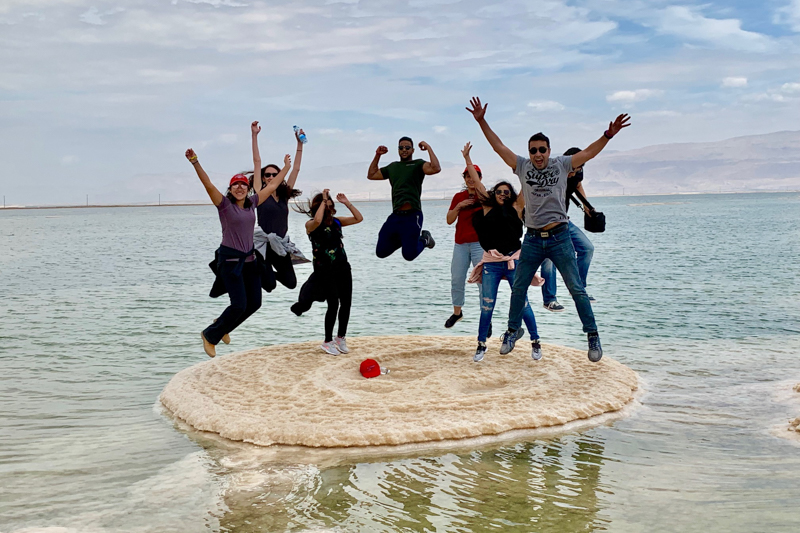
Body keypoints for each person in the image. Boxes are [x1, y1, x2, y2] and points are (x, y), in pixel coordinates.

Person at [467, 96, 630, 362]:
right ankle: (511, 332)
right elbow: (498, 146)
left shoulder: (562, 164)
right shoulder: (522, 166)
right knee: (518, 288)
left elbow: (588, 152)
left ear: (549, 150)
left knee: (576, 288)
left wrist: (608, 135)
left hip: (559, 237)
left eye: (542, 149)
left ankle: (592, 335)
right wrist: (482, 120)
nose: (538, 154)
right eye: (533, 150)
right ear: (529, 152)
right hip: (531, 239)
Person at [185, 141, 290, 358]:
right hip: (231, 262)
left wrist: (286, 168)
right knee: (239, 304)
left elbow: (271, 187)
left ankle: (222, 326)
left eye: (243, 184)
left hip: (250, 261)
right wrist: (195, 162)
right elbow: (208, 185)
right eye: (236, 185)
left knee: (254, 303)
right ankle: (209, 334)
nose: (240, 187)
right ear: (231, 189)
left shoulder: (252, 203)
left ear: (248, 188)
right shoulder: (224, 205)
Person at [463, 143, 542, 363]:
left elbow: (528, 184)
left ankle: (535, 342)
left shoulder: (517, 208)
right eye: (499, 191)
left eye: (507, 192)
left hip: (514, 261)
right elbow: (477, 184)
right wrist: (468, 160)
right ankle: (481, 345)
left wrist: (534, 164)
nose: (503, 195)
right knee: (487, 305)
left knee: (523, 304)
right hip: (492, 262)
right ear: (494, 193)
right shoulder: (487, 207)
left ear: (512, 195)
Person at [291, 189, 364, 355]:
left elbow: (359, 218)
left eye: (330, 205)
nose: (328, 208)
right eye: (324, 205)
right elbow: (317, 219)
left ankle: (341, 337)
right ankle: (327, 341)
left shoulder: (337, 222)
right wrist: (323, 201)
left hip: (343, 267)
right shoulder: (311, 224)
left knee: (346, 303)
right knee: (333, 304)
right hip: (325, 270)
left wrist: (347, 203)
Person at [250, 121, 306, 291]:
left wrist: (299, 144)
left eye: (275, 174)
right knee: (269, 286)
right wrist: (254, 136)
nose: (271, 177)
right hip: (263, 244)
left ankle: (254, 273)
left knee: (291, 283)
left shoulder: (284, 195)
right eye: (267, 175)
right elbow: (257, 161)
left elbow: (295, 169)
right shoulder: (260, 193)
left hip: (280, 243)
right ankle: (255, 272)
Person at [540, 147, 596, 311]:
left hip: (564, 222)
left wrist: (587, 207)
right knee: (548, 259)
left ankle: (579, 290)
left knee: (587, 248)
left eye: (579, 167)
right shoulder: (553, 172)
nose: (576, 171)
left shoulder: (578, 172)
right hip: (545, 223)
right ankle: (549, 299)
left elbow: (577, 185)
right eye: (574, 167)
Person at [367, 137, 441, 260]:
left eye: (407, 147)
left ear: (413, 150)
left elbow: (436, 168)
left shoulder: (418, 164)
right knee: (381, 251)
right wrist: (377, 155)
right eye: (401, 148)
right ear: (398, 150)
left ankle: (425, 239)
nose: (404, 150)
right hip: (396, 216)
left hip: (413, 215)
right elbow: (371, 175)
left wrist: (428, 147)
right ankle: (406, 239)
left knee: (409, 255)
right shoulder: (393, 167)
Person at [444, 160, 484, 329]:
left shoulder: (484, 196)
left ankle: (486, 316)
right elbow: (449, 220)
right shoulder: (458, 197)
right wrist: (459, 206)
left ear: (479, 177)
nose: (470, 179)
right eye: (467, 176)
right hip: (460, 244)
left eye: (473, 176)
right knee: (457, 278)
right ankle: (457, 312)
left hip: (479, 244)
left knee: (483, 281)